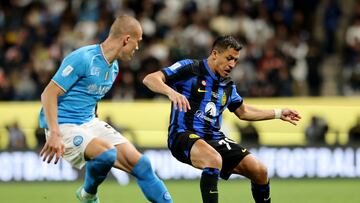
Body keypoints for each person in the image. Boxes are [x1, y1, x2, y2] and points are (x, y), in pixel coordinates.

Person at [143, 36, 301, 203]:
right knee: (213, 159)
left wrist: (278, 113)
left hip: (213, 138)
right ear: (215, 54)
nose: (232, 65)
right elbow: (150, 79)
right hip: (182, 134)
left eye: (235, 60)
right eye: (229, 58)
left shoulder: (228, 86)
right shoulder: (190, 68)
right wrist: (171, 92)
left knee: (260, 170)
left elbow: (244, 112)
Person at [39, 15, 172, 203]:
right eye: (137, 41)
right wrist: (54, 133)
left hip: (89, 122)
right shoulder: (83, 58)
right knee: (107, 154)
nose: (137, 47)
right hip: (63, 126)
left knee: (142, 165)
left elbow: (90, 93)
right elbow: (48, 94)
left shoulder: (114, 68)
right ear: (127, 39)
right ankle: (89, 195)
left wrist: (93, 112)